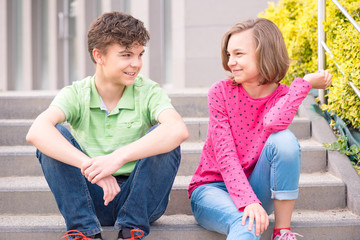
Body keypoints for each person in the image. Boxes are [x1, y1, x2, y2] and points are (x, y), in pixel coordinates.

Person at [26, 11, 189, 240]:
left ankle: (131, 231)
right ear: (99, 56)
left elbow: (178, 129)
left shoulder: (148, 90)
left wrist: (118, 158)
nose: (136, 64)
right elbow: (37, 131)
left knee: (165, 137)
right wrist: (94, 168)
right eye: (126, 55)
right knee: (54, 135)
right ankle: (84, 230)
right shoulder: (77, 93)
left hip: (140, 198)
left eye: (140, 54)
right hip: (91, 196)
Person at [188, 18, 332, 240]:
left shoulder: (283, 95)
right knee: (246, 223)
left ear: (264, 53)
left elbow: (274, 124)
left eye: (239, 54)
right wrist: (247, 202)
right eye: (229, 55)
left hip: (255, 189)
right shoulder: (220, 92)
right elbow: (225, 156)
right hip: (212, 190)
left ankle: (282, 231)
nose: (231, 62)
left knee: (284, 140)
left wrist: (304, 83)